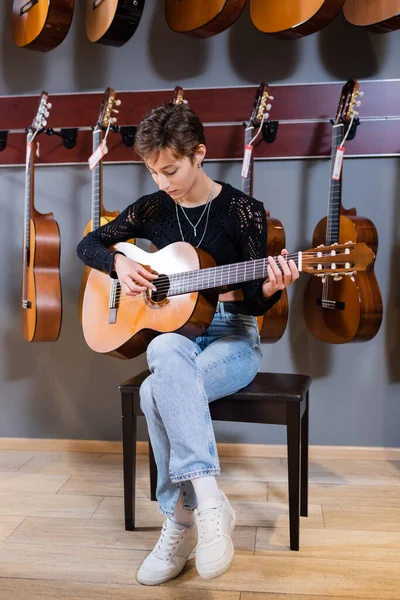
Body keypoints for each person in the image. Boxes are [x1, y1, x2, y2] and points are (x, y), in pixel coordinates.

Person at [77, 101, 299, 585]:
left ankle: (178, 520)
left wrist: (269, 288)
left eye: (171, 169)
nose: (163, 182)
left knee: (157, 389)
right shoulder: (154, 207)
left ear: (199, 153)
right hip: (176, 337)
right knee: (162, 350)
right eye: (154, 171)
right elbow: (88, 245)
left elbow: (256, 310)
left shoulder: (244, 212)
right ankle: (210, 501)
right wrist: (119, 265)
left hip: (232, 336)